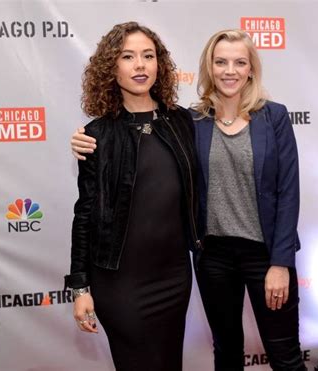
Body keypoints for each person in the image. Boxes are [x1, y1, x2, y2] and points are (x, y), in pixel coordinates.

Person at [71, 29, 306, 371]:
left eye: (240, 62)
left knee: (283, 356)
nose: (230, 70)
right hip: (188, 265)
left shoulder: (253, 118)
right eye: (220, 62)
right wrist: (79, 285)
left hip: (233, 262)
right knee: (223, 352)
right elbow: (89, 209)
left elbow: (288, 192)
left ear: (252, 68)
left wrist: (281, 262)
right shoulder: (184, 121)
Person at [64, 21, 199, 371]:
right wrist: (80, 287)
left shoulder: (182, 122)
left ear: (160, 65)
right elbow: (85, 214)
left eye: (148, 56)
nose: (140, 65)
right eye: (128, 56)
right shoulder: (96, 135)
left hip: (174, 276)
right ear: (112, 67)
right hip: (119, 281)